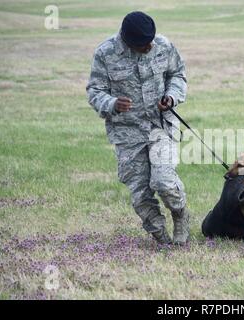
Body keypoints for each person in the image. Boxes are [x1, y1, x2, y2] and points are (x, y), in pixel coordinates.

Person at [86, 11, 190, 245]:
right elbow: (94, 91)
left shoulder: (163, 46)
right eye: (144, 45)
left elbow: (178, 75)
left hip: (160, 125)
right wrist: (111, 103)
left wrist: (171, 97)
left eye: (150, 41)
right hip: (127, 133)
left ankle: (181, 216)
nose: (149, 47)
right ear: (128, 42)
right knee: (140, 193)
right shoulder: (105, 53)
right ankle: (161, 236)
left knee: (163, 181)